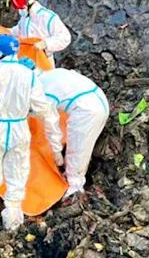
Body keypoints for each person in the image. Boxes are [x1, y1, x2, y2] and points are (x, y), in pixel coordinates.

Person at [0, 34, 62, 232]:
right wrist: (24, 110)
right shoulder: (28, 74)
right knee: (17, 177)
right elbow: (41, 106)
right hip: (19, 129)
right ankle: (13, 223)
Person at [39, 68, 110, 200]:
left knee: (78, 149)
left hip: (86, 111)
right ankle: (75, 180)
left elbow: (50, 124)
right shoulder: (53, 74)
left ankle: (75, 188)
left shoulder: (42, 91)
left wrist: (56, 151)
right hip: (99, 100)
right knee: (83, 146)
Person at [10, 0, 71, 68]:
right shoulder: (26, 17)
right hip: (26, 59)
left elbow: (65, 37)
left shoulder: (48, 18)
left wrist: (46, 43)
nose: (20, 11)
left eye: (22, 8)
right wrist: (7, 32)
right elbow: (20, 29)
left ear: (28, 4)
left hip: (43, 61)